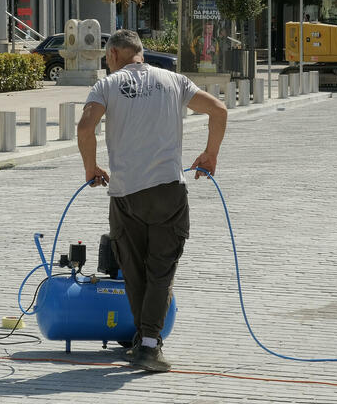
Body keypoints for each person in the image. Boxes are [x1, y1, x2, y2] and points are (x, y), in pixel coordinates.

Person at [77, 30, 228, 373]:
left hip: (125, 194)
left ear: (114, 54)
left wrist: (91, 168)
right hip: (167, 191)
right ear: (140, 54)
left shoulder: (107, 86)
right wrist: (210, 155)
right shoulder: (174, 80)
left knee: (133, 272)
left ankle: (143, 341)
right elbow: (218, 111)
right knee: (160, 271)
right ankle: (148, 346)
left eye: (106, 56)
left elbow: (85, 129)